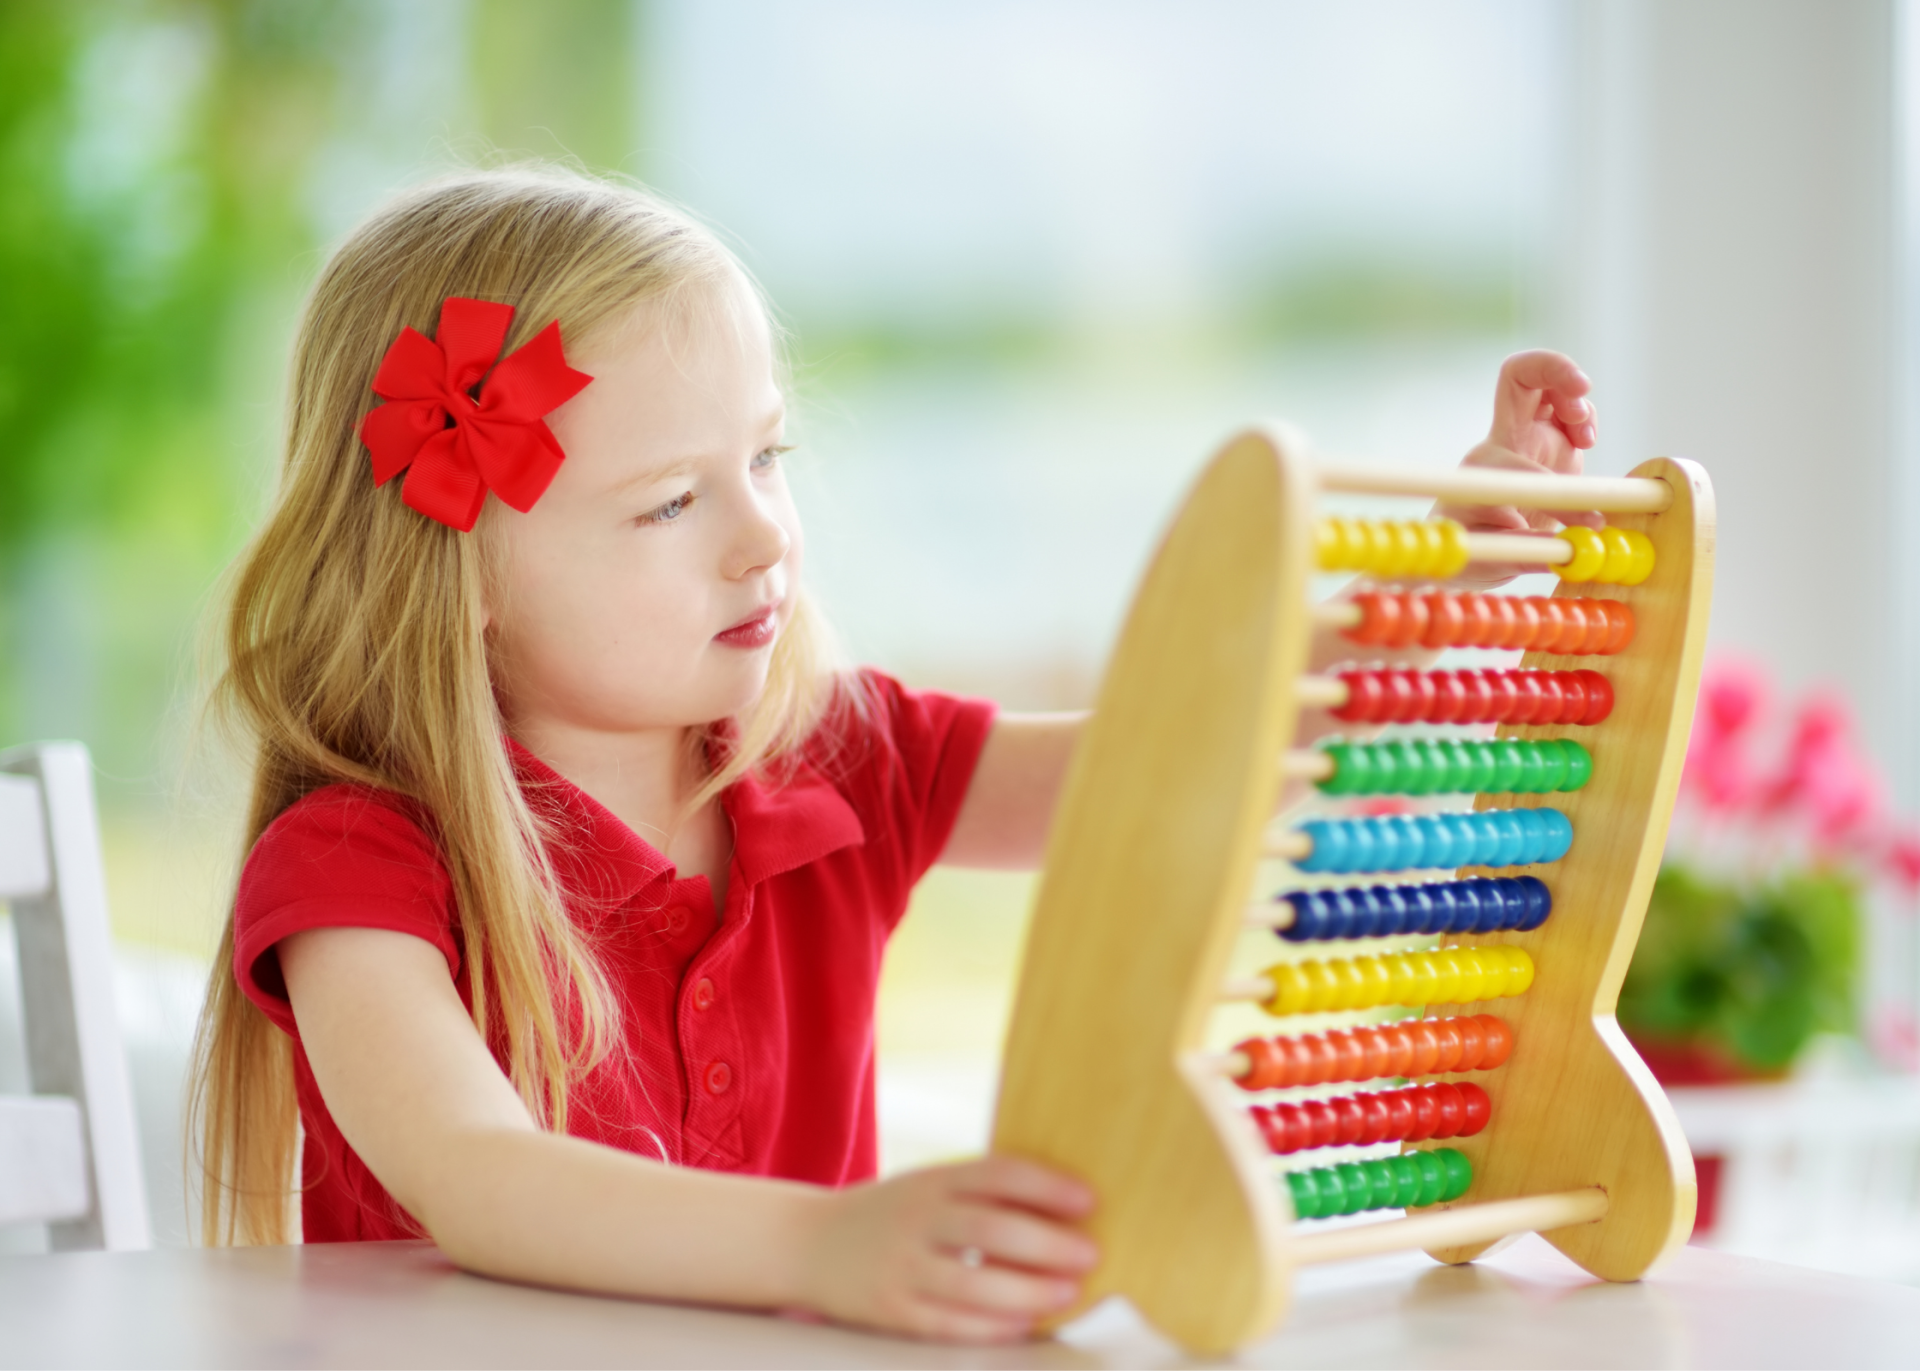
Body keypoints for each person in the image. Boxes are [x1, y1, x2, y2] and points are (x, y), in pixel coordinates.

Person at [189, 164, 1598, 1344]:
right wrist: (825, 1247)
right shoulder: (359, 868)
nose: (763, 534)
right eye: (672, 500)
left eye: (768, 458)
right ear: (463, 574)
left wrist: (1435, 582)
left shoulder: (837, 761)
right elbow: (477, 1173)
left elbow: (1176, 762)